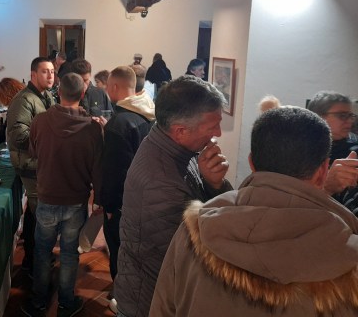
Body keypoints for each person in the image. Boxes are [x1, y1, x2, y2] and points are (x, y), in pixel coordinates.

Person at [150, 106, 358, 317]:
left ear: (251, 163)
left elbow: (162, 309)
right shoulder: (350, 259)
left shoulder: (194, 230)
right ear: (323, 171)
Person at [114, 75, 232, 317]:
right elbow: (198, 255)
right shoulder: (161, 185)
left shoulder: (173, 145)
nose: (218, 133)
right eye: (212, 126)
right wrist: (216, 188)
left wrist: (214, 184)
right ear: (180, 131)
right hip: (150, 304)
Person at [22, 73, 103, 317]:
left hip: (47, 196)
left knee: (42, 251)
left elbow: (33, 152)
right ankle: (66, 303)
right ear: (82, 94)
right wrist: (99, 198)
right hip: (76, 200)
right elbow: (98, 167)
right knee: (69, 253)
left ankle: (38, 302)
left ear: (58, 92)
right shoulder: (93, 128)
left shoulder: (40, 121)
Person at [101, 66, 155, 312]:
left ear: (114, 87)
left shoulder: (119, 124)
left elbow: (115, 172)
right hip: (145, 197)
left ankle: (122, 301)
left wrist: (110, 206)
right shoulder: (148, 111)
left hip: (123, 203)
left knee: (120, 253)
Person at [6, 57, 55, 274]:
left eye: (52, 71)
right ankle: (34, 262)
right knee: (38, 213)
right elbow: (18, 136)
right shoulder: (24, 100)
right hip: (29, 164)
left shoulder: (46, 96)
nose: (50, 75)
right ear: (33, 74)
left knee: (36, 213)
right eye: (45, 71)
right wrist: (51, 140)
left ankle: (34, 257)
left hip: (41, 162)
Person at [307, 91, 358, 214]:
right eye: (342, 115)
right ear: (319, 117)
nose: (349, 121)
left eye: (351, 116)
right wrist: (327, 187)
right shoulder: (301, 152)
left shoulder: (355, 149)